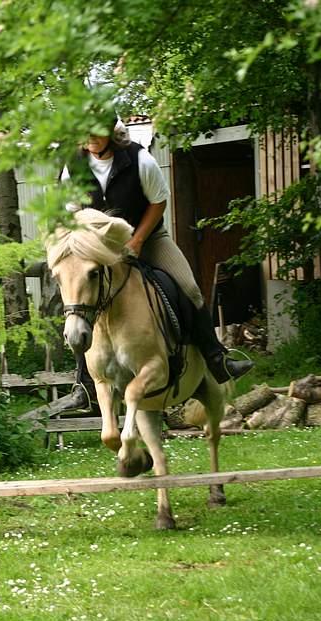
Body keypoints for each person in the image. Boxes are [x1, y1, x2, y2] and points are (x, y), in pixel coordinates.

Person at [59, 118, 253, 411]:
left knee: (190, 287)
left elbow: (159, 202)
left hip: (148, 239)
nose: (90, 137)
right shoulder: (72, 167)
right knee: (80, 299)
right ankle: (84, 384)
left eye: (97, 131)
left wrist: (136, 242)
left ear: (111, 132)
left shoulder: (139, 158)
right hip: (100, 249)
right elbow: (72, 213)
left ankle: (217, 358)